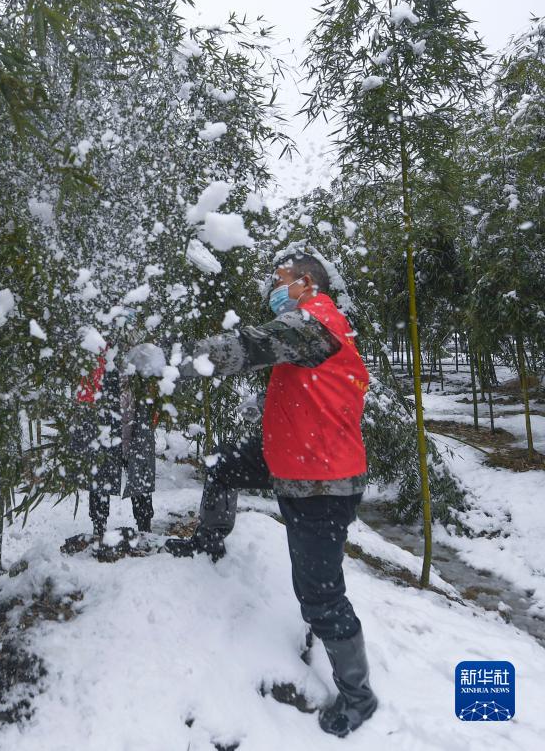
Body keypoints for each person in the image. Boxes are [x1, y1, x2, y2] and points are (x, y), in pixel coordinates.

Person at [127, 252, 377, 738]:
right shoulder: (315, 327)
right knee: (222, 465)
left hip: (321, 484)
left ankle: (357, 697)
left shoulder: (316, 321)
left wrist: (173, 357)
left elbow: (250, 345)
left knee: (320, 596)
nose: (272, 287)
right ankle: (209, 539)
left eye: (280, 280)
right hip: (291, 459)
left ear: (306, 283)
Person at [75, 342, 156, 538]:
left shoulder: (139, 354)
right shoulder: (96, 355)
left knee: (139, 476)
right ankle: (99, 528)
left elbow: (153, 389)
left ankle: (144, 528)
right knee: (102, 477)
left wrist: (149, 416)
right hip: (105, 429)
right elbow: (85, 396)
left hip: (135, 428)